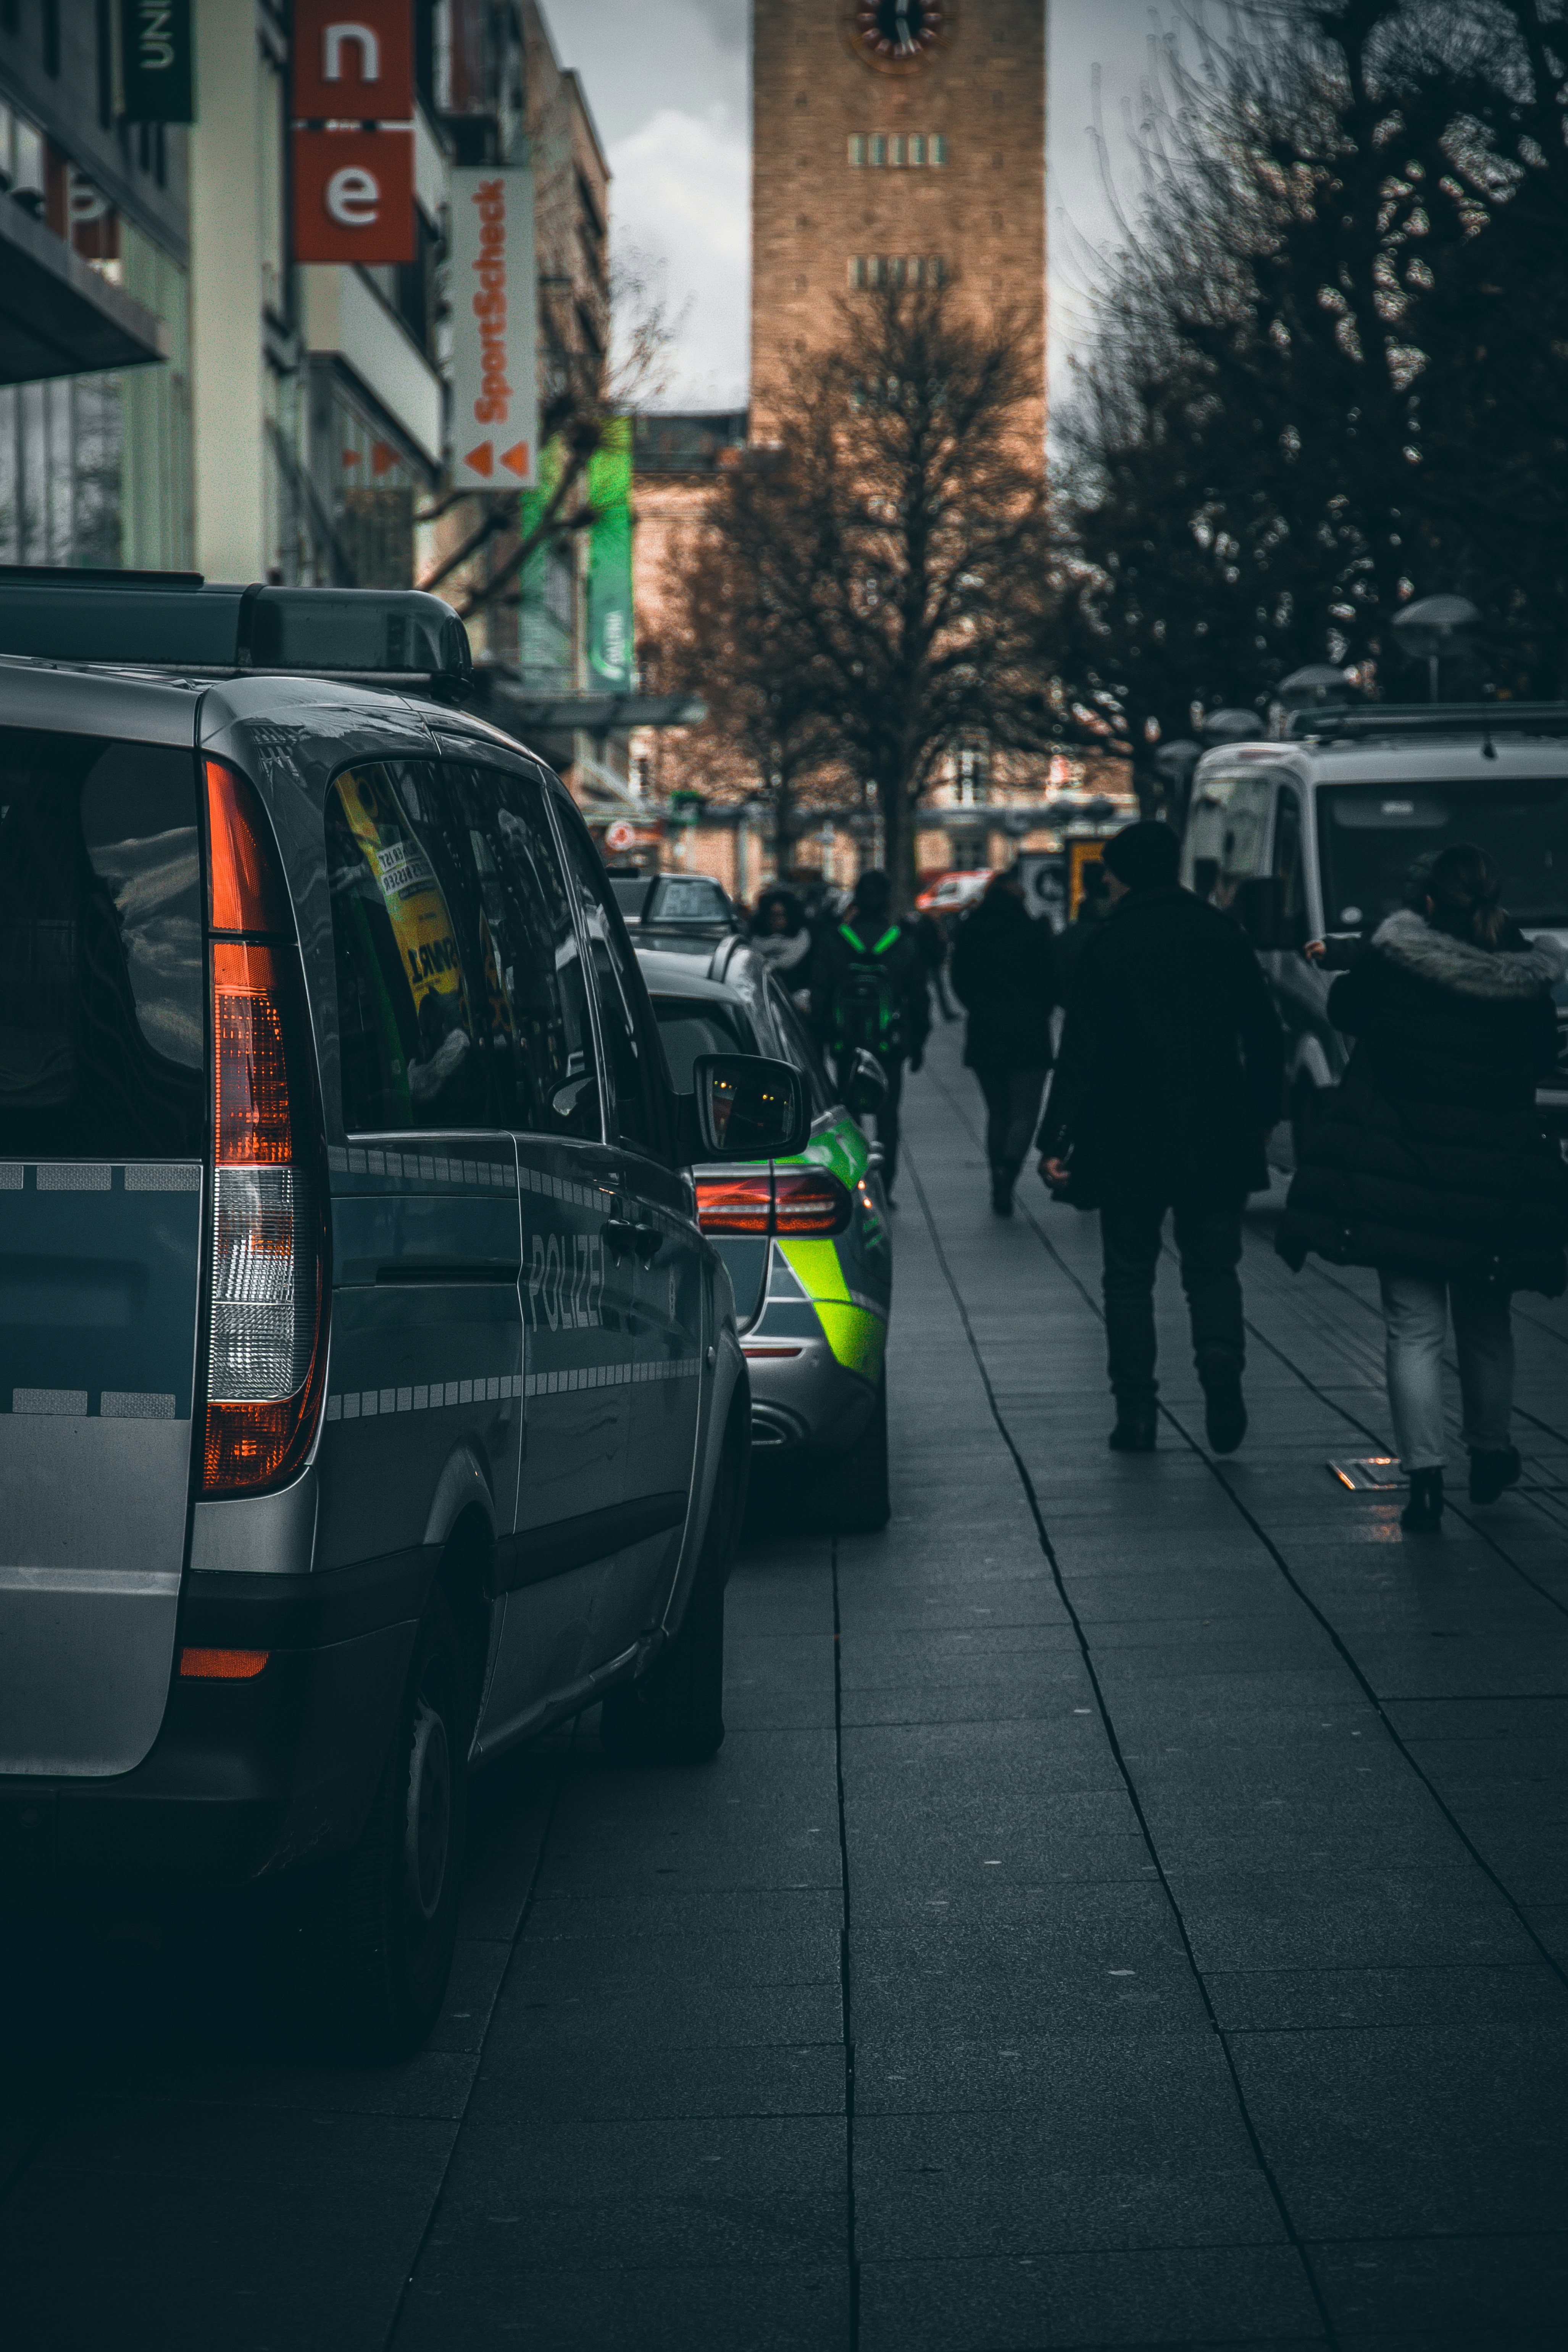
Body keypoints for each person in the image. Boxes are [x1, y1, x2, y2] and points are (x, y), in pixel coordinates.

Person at [1277, 844, 1568, 1533]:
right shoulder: (1523, 974)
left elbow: (1345, 1010)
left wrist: (1360, 954)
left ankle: (1425, 1479)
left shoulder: (1393, 965)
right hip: (1490, 1175)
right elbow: (1538, 1055)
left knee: (1411, 1329)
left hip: (1399, 1174)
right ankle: (1490, 1450)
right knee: (1486, 1321)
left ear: (1427, 905)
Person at [1037, 818, 1284, 1454]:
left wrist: (1056, 1138)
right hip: (1214, 1129)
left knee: (1127, 1276)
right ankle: (1220, 1364)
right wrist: (1260, 1117)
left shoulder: (1108, 943)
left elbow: (1080, 1051)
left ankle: (1137, 1412)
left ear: (1122, 875)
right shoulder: (1220, 933)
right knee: (1212, 1268)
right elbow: (1263, 1035)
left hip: (1126, 1133)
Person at [811, 867, 931, 1198]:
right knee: (888, 1114)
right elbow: (919, 997)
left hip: (846, 1042)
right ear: (887, 901)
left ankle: (856, 1181)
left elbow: (820, 993)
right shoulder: (902, 942)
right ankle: (886, 1182)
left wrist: (820, 1042)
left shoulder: (835, 941)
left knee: (848, 1114)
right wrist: (918, 1041)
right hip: (888, 1042)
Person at [950, 865, 1060, 1216]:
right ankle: (1008, 1169)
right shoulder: (1032, 931)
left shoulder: (971, 930)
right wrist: (1038, 1009)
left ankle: (997, 1174)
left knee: (997, 1111)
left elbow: (959, 980)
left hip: (986, 1030)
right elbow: (1050, 980)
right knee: (1025, 1112)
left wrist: (980, 1008)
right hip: (1028, 1032)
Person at [749, 887, 813, 994]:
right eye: (771, 915)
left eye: (780, 916)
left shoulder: (804, 945)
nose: (775, 921)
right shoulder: (753, 945)